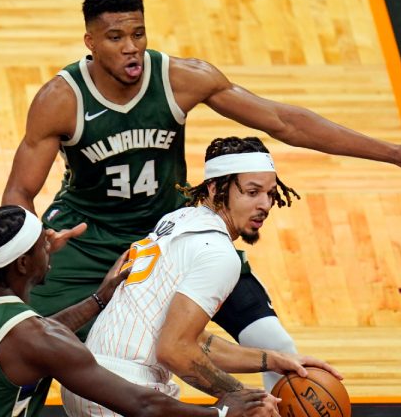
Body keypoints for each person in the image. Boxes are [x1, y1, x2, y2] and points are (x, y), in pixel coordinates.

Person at [1, 0, 401, 391]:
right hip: (88, 241)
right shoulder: (61, 100)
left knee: (282, 354)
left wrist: (394, 153)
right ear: (90, 41)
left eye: (138, 33)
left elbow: (284, 122)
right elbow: (20, 192)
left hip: (172, 233)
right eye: (116, 37)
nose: (131, 47)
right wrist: (28, 240)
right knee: (21, 354)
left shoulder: (182, 79)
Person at [61, 136, 342, 417]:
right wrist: (241, 397)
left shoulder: (178, 219)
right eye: (252, 192)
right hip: (130, 390)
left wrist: (272, 359)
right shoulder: (219, 253)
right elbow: (174, 349)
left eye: (270, 193)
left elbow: (189, 339)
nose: (265, 205)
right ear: (216, 187)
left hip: (89, 379)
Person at [0, 205, 279, 417]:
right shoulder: (36, 340)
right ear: (23, 265)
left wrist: (100, 298)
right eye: (44, 241)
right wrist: (222, 412)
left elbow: (26, 338)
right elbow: (142, 404)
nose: (52, 242)